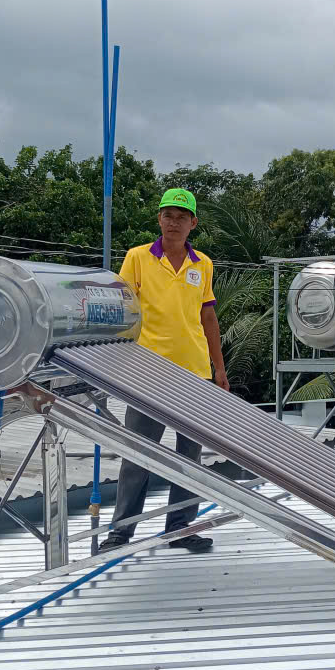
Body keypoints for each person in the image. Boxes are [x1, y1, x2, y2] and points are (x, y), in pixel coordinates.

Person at [100, 188, 228, 554]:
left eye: (181, 217)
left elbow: (208, 316)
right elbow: (122, 309)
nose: (174, 222)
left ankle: (180, 528)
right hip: (148, 370)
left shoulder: (202, 264)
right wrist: (118, 361)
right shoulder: (138, 258)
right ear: (159, 219)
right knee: (138, 453)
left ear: (193, 223)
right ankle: (121, 533)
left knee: (188, 455)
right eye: (168, 215)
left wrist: (219, 369)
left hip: (194, 370)